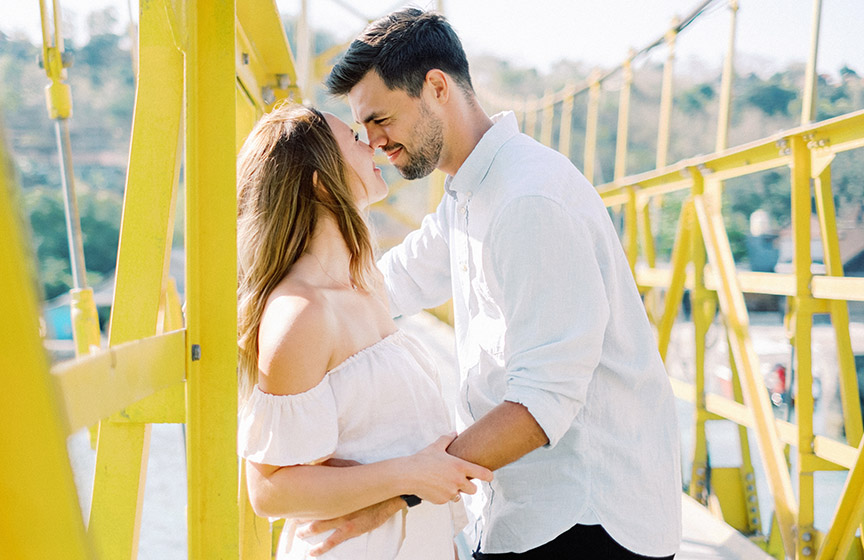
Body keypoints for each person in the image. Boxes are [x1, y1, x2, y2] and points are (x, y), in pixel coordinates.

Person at [299, 8, 682, 559]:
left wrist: (392, 491)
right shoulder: (471, 189)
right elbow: (398, 281)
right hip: (530, 510)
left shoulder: (528, 200)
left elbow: (542, 401)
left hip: (587, 520)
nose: (376, 143)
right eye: (363, 130)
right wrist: (286, 306)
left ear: (435, 87)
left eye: (381, 119)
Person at [236, 102, 493, 559]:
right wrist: (408, 476)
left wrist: (406, 489)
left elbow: (400, 445)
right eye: (354, 139)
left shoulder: (366, 286)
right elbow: (269, 490)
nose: (372, 143)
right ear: (321, 182)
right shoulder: (301, 314)